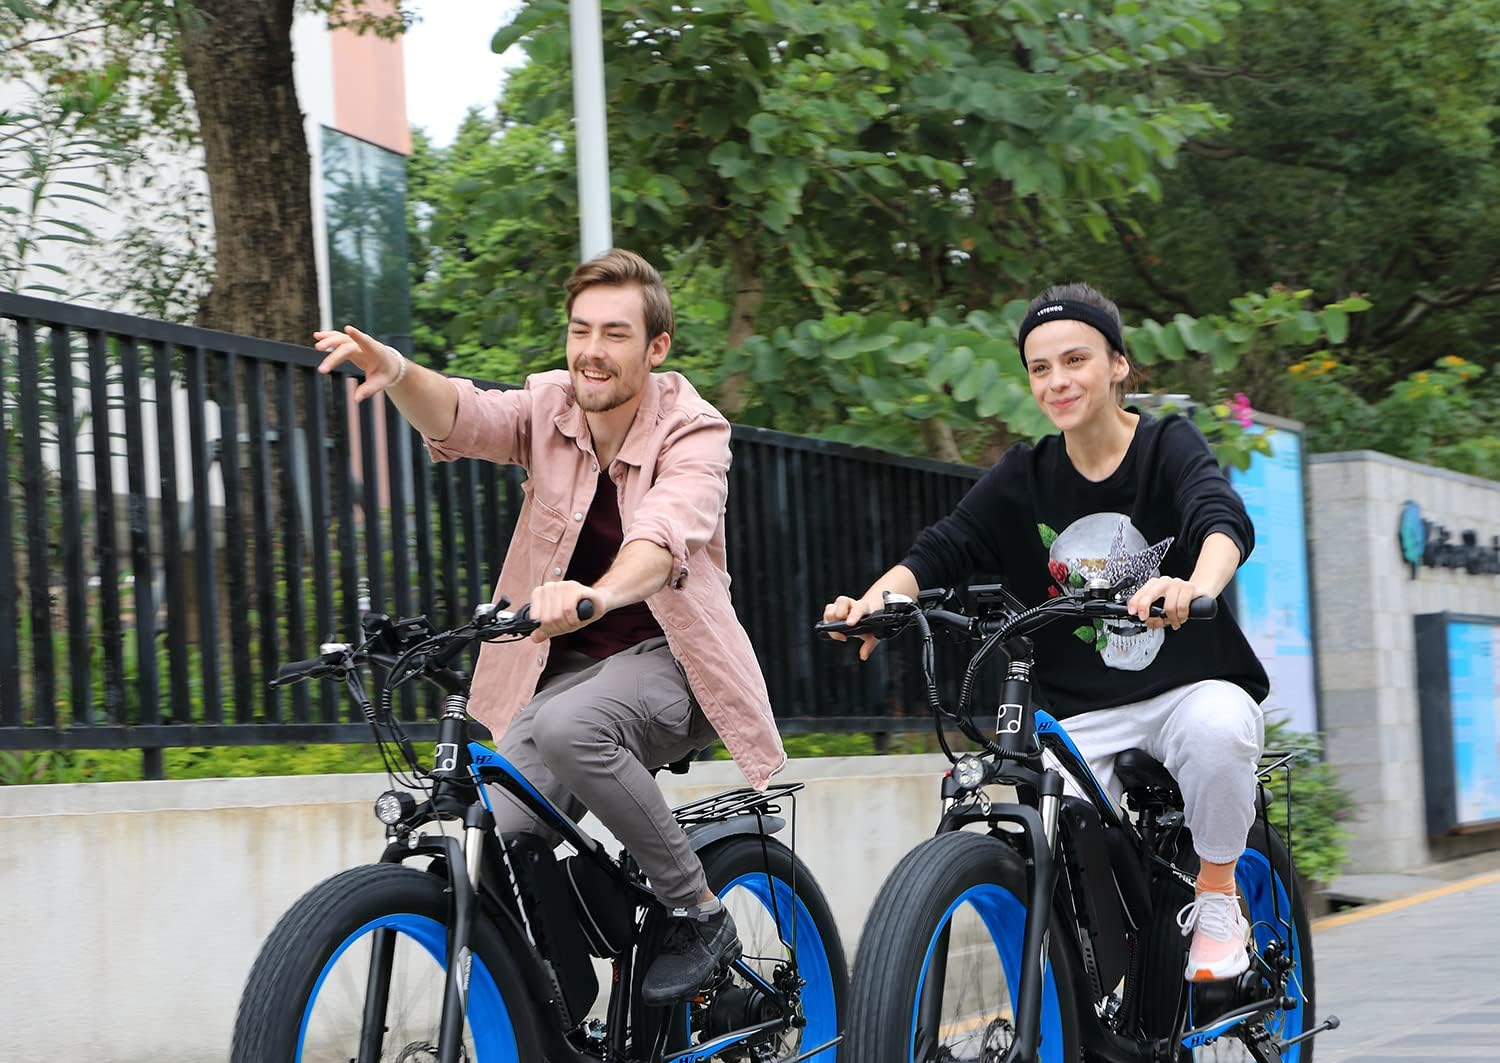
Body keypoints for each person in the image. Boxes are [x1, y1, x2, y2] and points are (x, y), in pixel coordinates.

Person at [314, 250, 784, 1004]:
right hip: (563, 675)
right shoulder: (550, 407)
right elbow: (465, 415)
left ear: (656, 347)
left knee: (571, 728)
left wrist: (596, 595)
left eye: (615, 334)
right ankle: (559, 1021)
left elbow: (665, 536)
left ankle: (698, 913)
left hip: (671, 663)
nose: (592, 350)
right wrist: (397, 371)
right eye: (580, 330)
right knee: (495, 840)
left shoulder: (693, 430)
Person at [823, 282, 1270, 984]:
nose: (1057, 380)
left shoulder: (1166, 445)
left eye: (1075, 360)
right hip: (1082, 712)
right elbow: (943, 547)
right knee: (1052, 832)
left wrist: (1195, 586)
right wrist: (875, 604)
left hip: (1186, 691)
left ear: (1117, 365)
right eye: (1040, 368)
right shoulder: (1022, 476)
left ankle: (1216, 895)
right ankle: (1091, 987)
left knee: (1220, 729)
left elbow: (1219, 517)